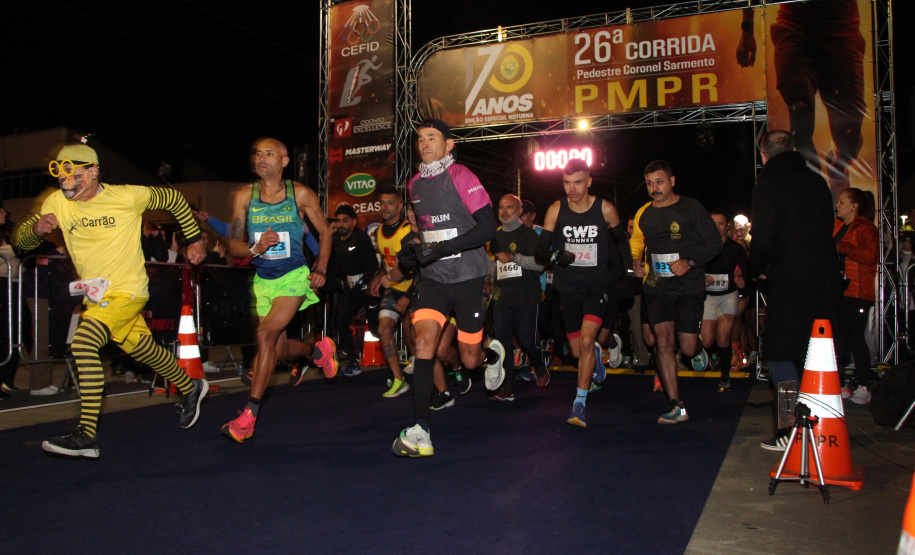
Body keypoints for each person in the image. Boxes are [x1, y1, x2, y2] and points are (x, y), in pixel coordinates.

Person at [13, 143, 209, 458]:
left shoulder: (127, 196)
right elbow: (22, 240)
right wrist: (35, 229)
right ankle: (191, 387)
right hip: (97, 296)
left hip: (128, 289)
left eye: (72, 175)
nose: (66, 182)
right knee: (142, 349)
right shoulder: (56, 203)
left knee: (83, 344)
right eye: (61, 175)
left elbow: (173, 199)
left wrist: (194, 239)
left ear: (93, 172)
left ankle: (87, 435)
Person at [391, 119, 504, 457]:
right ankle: (421, 430)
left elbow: (487, 227)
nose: (424, 144)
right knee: (423, 343)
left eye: (432, 138)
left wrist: (441, 248)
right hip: (435, 279)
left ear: (449, 145)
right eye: (420, 139)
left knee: (471, 360)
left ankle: (492, 354)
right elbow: (427, 232)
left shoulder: (461, 176)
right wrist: (413, 251)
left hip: (469, 276)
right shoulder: (414, 185)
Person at [221, 137, 338, 444]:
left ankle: (248, 416)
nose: (261, 158)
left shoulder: (300, 194)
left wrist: (321, 268)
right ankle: (317, 351)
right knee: (279, 349)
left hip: (294, 276)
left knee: (264, 336)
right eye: (257, 153)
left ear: (284, 161)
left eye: (269, 153)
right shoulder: (244, 195)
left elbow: (325, 232)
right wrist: (254, 247)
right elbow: (233, 243)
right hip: (264, 279)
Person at [750, 130, 843, 450]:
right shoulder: (817, 181)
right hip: (825, 280)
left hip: (790, 279)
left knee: (778, 353)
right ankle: (820, 428)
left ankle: (791, 430)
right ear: (792, 148)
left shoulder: (769, 182)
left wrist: (755, 268)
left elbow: (762, 236)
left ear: (764, 155)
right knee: (815, 353)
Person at [737, 2, 866, 199]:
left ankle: (838, 166)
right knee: (800, 107)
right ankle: (813, 189)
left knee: (849, 136)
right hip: (794, 27)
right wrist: (747, 29)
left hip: (843, 34)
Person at [630, 160, 721, 424]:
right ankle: (675, 405)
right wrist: (637, 263)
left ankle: (699, 348)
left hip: (689, 286)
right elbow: (638, 246)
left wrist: (689, 261)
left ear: (672, 181)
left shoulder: (691, 207)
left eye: (659, 182)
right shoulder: (644, 213)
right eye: (649, 183)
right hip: (657, 287)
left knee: (688, 348)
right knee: (663, 343)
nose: (654, 188)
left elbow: (714, 243)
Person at [541, 158, 623, 427]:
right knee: (578, 352)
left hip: (596, 285)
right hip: (568, 288)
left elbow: (622, 240)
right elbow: (541, 252)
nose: (572, 189)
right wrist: (556, 255)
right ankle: (595, 359)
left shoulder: (605, 209)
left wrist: (625, 271)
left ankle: (579, 405)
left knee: (587, 342)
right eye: (566, 183)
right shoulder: (556, 210)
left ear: (589, 181)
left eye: (577, 182)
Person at [490, 194, 550, 401]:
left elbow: (541, 264)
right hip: (502, 298)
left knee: (526, 339)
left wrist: (514, 257)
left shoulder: (530, 235)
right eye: (501, 207)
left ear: (519, 212)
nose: (505, 211)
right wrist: (489, 282)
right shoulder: (495, 236)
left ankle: (539, 364)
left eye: (510, 207)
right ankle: (507, 387)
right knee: (502, 343)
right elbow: (494, 265)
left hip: (526, 296)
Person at [833, 187, 878, 403]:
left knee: (855, 338)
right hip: (838, 290)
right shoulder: (837, 226)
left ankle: (864, 384)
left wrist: (845, 248)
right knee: (839, 338)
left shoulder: (866, 228)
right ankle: (841, 383)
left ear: (854, 205)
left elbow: (871, 256)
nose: (837, 206)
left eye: (842, 202)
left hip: (857, 291)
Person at [369, 187, 415, 398]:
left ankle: (435, 379)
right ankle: (399, 379)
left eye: (389, 202)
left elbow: (410, 267)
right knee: (384, 329)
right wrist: (379, 277)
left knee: (416, 337)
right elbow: (385, 264)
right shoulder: (378, 232)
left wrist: (405, 292)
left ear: (399, 206)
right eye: (382, 203)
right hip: (394, 288)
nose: (385, 207)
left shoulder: (407, 230)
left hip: (414, 288)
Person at [698, 209, 750, 393]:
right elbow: (691, 269)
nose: (717, 227)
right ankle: (711, 355)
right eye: (713, 223)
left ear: (726, 226)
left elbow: (746, 272)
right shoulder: (702, 247)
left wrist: (743, 282)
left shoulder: (736, 249)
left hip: (728, 296)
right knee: (707, 340)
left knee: (723, 337)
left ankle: (725, 375)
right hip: (708, 297)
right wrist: (701, 279)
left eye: (721, 223)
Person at [327, 203, 379, 376]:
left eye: (345, 221)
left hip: (366, 285)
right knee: (341, 319)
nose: (341, 224)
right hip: (350, 288)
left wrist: (364, 284)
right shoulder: (334, 240)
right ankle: (351, 361)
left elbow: (373, 264)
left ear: (353, 222)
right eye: (338, 221)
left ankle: (392, 357)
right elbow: (333, 263)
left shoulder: (361, 238)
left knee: (375, 327)